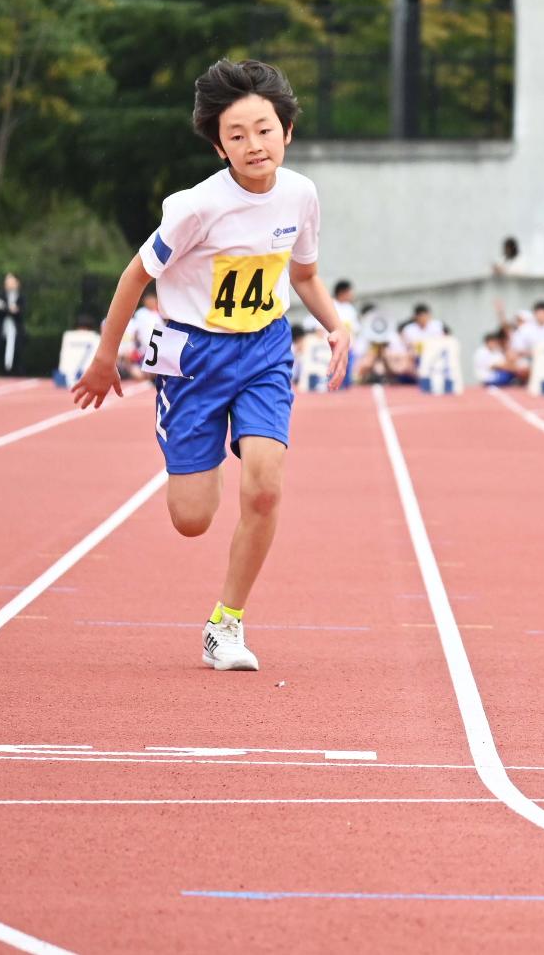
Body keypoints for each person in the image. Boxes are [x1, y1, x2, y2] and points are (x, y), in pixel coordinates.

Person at [70, 58, 351, 672]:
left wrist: (335, 323)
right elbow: (136, 274)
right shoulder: (197, 208)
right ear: (220, 147)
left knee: (267, 490)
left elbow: (301, 273)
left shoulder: (301, 195)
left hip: (265, 349)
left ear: (287, 132)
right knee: (193, 519)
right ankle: (205, 445)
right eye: (237, 135)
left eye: (264, 130)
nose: (254, 144)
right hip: (194, 357)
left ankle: (226, 623)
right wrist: (102, 357)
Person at [0, 273, 24, 374]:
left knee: (16, 349)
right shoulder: (0, 295)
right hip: (2, 328)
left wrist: (7, 308)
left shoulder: (21, 297)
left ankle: (14, 370)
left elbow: (21, 311)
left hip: (15, 328)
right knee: (0, 348)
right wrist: (9, 309)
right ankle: (2, 370)